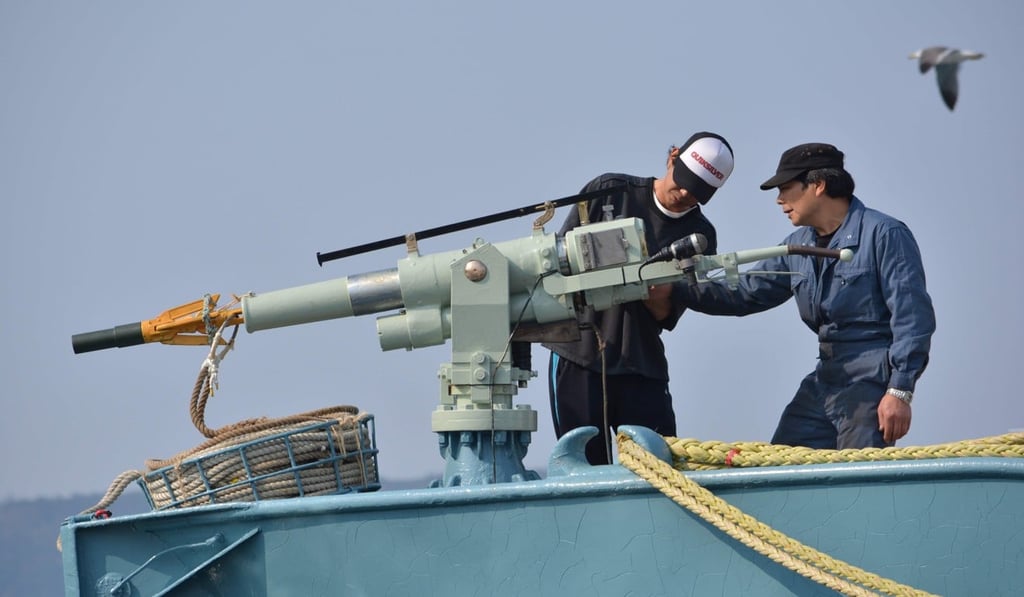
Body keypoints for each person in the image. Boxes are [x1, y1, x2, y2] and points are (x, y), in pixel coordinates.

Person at [671, 142, 936, 449]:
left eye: (785, 188)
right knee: (781, 466)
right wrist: (673, 285)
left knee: (857, 483)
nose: (779, 200)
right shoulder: (796, 245)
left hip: (871, 382)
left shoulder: (886, 234)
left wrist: (899, 392)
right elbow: (744, 292)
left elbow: (912, 319)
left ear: (818, 185)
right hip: (825, 379)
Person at [543, 132, 735, 464]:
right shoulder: (609, 190)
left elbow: (667, 314)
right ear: (672, 157)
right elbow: (557, 264)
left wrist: (656, 289)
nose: (687, 193)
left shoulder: (701, 236)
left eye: (700, 191)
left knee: (660, 467)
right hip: (578, 355)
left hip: (642, 362)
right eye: (685, 180)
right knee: (582, 465)